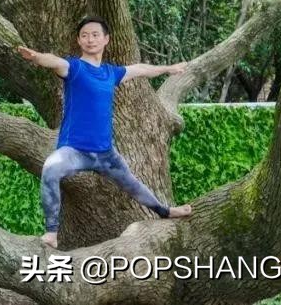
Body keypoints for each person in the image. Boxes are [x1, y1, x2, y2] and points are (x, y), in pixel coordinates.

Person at [16, 16, 193, 249]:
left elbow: (140, 69)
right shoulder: (75, 68)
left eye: (95, 35)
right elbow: (55, 61)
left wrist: (168, 69)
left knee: (133, 184)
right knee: (50, 168)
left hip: (106, 154)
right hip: (74, 151)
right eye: (85, 35)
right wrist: (37, 57)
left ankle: (166, 211)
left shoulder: (111, 73)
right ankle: (51, 232)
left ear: (106, 39)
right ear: (79, 41)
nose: (90, 39)